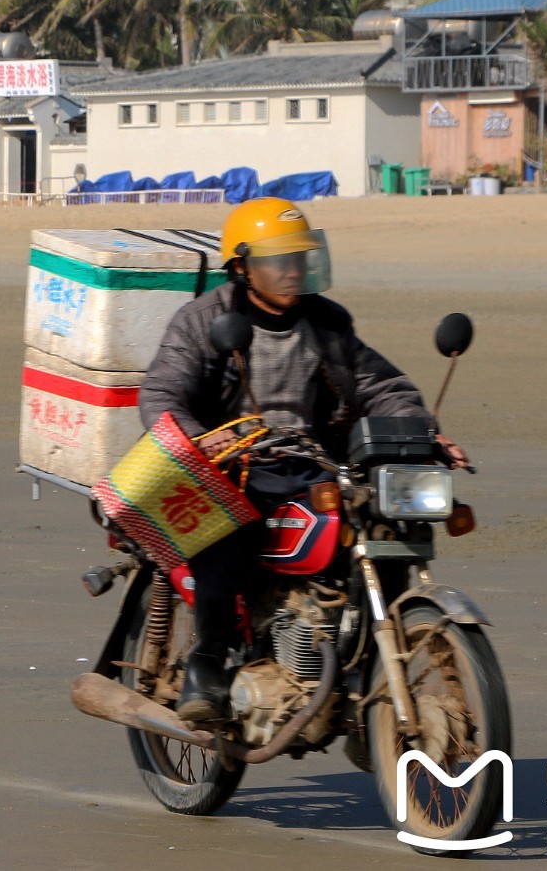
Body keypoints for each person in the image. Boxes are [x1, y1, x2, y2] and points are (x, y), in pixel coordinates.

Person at [137, 197, 470, 724]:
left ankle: (367, 671)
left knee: (383, 522)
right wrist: (204, 441)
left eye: (299, 257)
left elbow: (381, 385)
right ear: (242, 267)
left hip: (311, 462)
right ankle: (207, 662)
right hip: (232, 465)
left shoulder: (326, 323)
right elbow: (161, 395)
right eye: (277, 259)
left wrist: (422, 431)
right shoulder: (204, 321)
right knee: (230, 534)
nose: (291, 270)